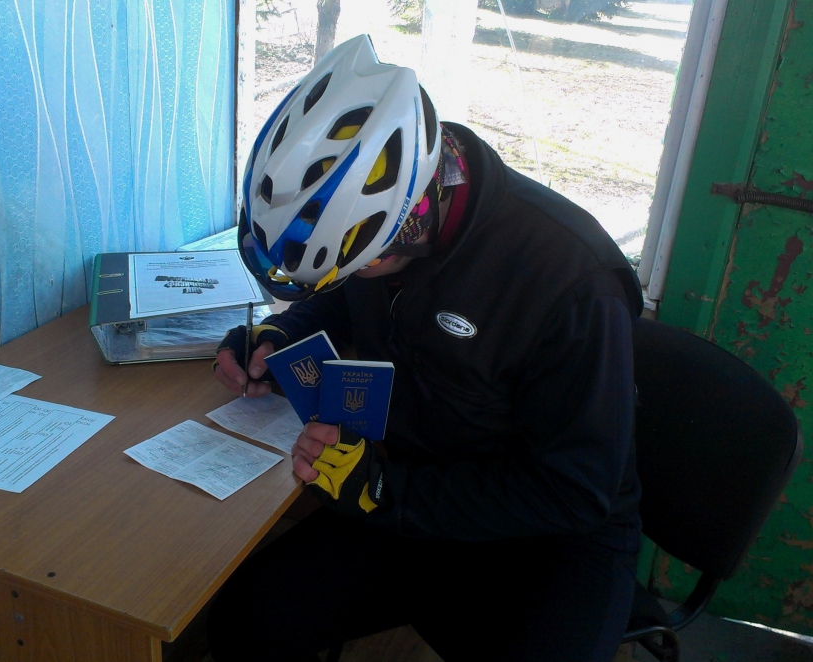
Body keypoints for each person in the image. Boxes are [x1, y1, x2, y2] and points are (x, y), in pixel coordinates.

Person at [208, 34, 642, 662]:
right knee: (245, 621)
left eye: (352, 265)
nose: (347, 279)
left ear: (408, 221)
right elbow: (348, 299)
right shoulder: (386, 227)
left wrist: (386, 491)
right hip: (411, 486)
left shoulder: (572, 281)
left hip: (550, 535)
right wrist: (283, 333)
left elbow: (576, 490)